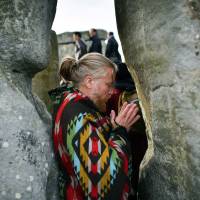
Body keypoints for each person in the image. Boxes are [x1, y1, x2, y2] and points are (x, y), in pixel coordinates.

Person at [49, 53, 140, 200]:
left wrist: (113, 126)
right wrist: (120, 130)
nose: (112, 91)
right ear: (89, 81)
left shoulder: (74, 106)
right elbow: (104, 185)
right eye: (108, 85)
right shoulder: (78, 115)